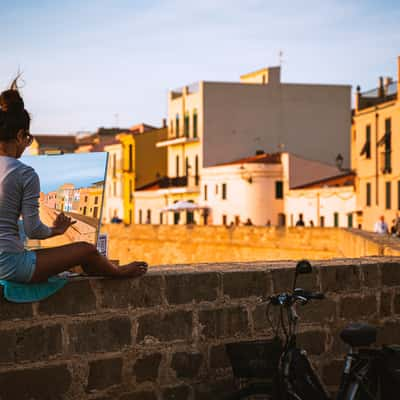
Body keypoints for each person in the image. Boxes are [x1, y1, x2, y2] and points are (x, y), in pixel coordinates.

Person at [0, 82, 148, 283]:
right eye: (27, 139)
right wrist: (56, 231)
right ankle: (118, 272)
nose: (26, 146)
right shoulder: (24, 173)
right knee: (86, 250)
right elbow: (34, 229)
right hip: (10, 266)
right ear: (19, 136)